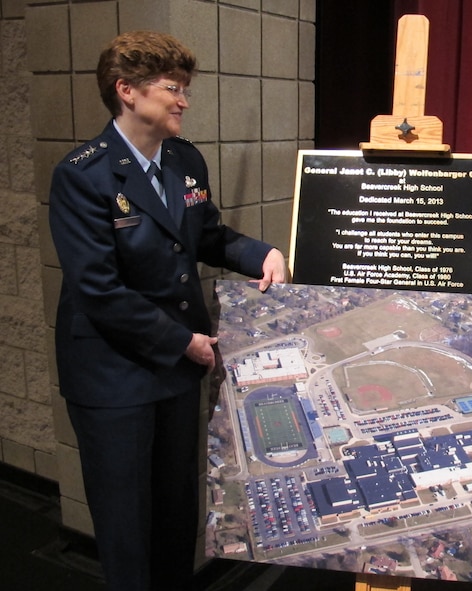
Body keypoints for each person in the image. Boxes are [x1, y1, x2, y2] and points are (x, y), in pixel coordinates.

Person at [48, 31, 286, 591]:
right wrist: (184, 341)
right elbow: (97, 289)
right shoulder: (83, 174)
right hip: (114, 374)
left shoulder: (184, 159)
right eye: (172, 89)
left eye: (184, 89)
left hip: (178, 367)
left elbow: (208, 236)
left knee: (178, 508)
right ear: (126, 91)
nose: (184, 100)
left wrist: (262, 252)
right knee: (127, 524)